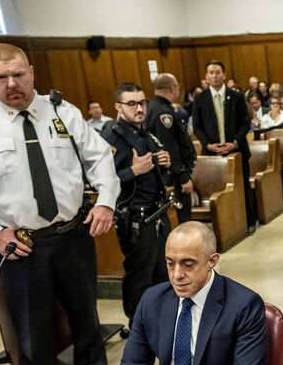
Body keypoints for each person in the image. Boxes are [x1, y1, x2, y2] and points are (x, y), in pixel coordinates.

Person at [0, 43, 118, 365]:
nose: (11, 84)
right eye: (1, 77)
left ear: (31, 72)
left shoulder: (63, 112)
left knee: (86, 319)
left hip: (72, 236)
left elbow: (100, 158)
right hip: (19, 245)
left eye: (18, 74)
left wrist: (106, 199)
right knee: (32, 333)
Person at [116, 222, 269, 365]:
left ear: (212, 261)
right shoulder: (152, 300)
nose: (177, 275)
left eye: (188, 265)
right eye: (170, 264)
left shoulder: (244, 305)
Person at [103, 83, 173, 325]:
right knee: (139, 276)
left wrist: (163, 161)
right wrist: (133, 170)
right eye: (131, 104)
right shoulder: (113, 137)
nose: (139, 108)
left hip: (158, 214)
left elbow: (153, 172)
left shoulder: (144, 133)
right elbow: (101, 180)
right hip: (135, 218)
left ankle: (162, 320)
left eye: (142, 103)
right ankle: (139, 326)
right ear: (118, 107)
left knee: (163, 273)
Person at [190, 60, 257, 234]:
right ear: (206, 77)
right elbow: (196, 126)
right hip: (212, 153)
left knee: (242, 188)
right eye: (211, 73)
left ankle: (249, 221)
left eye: (218, 72)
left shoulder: (235, 96)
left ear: (224, 75)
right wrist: (208, 145)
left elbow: (245, 121)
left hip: (236, 150)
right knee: (219, 189)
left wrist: (234, 142)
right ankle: (225, 226)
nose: (214, 75)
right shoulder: (200, 98)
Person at [146, 73, 195, 223]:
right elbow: (169, 148)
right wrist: (183, 177)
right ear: (172, 88)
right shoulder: (163, 113)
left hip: (167, 173)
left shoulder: (153, 107)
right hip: (172, 176)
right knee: (182, 219)